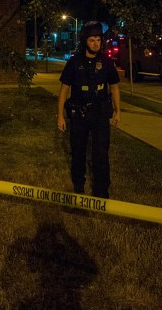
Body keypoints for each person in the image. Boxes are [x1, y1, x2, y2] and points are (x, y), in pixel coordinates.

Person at [57, 21, 121, 198]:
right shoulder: (74, 62)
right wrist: (60, 116)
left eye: (98, 40)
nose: (96, 43)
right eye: (92, 40)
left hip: (100, 114)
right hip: (79, 114)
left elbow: (114, 87)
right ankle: (79, 187)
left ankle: (102, 192)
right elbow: (64, 90)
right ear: (85, 41)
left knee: (101, 154)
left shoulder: (107, 62)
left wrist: (118, 111)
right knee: (78, 152)